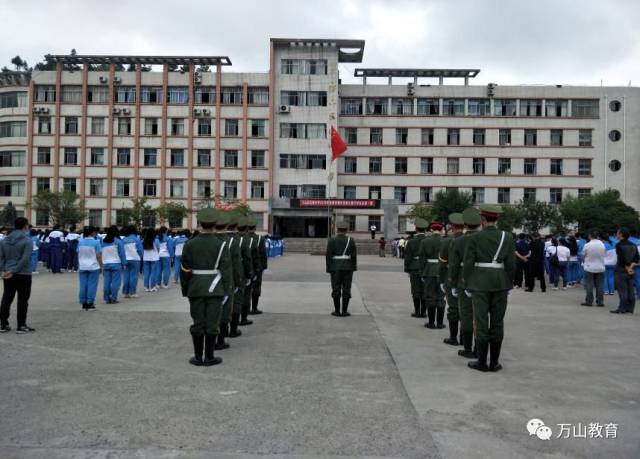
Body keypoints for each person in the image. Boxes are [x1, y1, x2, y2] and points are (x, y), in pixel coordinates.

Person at [463, 204, 515, 372]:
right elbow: (511, 265)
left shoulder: (474, 238)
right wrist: (509, 284)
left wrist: (467, 283)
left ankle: (481, 362)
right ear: (497, 219)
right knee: (498, 322)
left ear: (483, 220)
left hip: (479, 283)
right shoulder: (507, 237)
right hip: (500, 283)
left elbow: (468, 264)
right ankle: (494, 362)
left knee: (481, 321)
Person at [180, 208, 232, 367]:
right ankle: (209, 356)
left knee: (198, 322)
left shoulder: (189, 244)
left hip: (195, 287)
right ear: (215, 224)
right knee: (212, 322)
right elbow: (226, 270)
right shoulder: (221, 245)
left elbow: (184, 269)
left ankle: (198, 356)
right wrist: (227, 291)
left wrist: (186, 289)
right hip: (215, 288)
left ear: (200, 223)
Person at [449, 208, 481, 358]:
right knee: (480, 316)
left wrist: (453, 283)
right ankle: (479, 349)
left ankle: (468, 348)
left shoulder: (458, 241)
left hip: (464, 281)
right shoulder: (483, 238)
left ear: (465, 224)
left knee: (467, 315)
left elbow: (454, 265)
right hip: (482, 281)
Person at [0, 217, 35, 333]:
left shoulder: (4, 240)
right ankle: (21, 325)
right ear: (25, 226)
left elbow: (1, 258)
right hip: (23, 273)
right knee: (23, 300)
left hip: (8, 272)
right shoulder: (27, 240)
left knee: (6, 298)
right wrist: (14, 270)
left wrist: (3, 271)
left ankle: (3, 324)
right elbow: (25, 259)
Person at [439, 213, 464, 346]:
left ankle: (453, 337)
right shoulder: (471, 239)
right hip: (468, 279)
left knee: (453, 308)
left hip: (452, 278)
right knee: (466, 310)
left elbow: (442, 262)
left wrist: (442, 280)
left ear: (452, 226)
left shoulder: (448, 241)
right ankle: (465, 339)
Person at [326, 221, 357, 317]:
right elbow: (354, 255)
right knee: (346, 288)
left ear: (337, 229)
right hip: (348, 267)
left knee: (336, 287)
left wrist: (329, 268)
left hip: (335, 267)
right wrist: (353, 266)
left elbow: (328, 255)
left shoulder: (331, 240)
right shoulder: (351, 240)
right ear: (346, 230)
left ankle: (337, 311)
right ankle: (344, 311)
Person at [421, 222, 445, 329]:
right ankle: (439, 323)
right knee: (441, 297)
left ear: (431, 229)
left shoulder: (425, 241)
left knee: (430, 297)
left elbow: (422, 260)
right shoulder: (446, 241)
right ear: (441, 230)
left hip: (429, 270)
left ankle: (431, 322)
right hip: (442, 271)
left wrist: (422, 272)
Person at [611, 228, 639, 314]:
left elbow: (622, 259)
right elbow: (637, 258)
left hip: (621, 269)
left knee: (622, 289)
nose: (616, 234)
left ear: (621, 234)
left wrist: (627, 268)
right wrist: (631, 267)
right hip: (631, 269)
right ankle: (630, 308)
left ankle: (622, 308)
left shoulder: (619, 245)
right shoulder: (634, 245)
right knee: (630, 289)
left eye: (617, 233)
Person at [404, 218, 428, 318]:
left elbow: (408, 257)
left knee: (415, 290)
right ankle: (423, 312)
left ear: (416, 229)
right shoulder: (428, 240)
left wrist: (407, 269)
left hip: (414, 267)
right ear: (425, 229)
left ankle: (417, 311)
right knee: (425, 290)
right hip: (427, 267)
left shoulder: (411, 241)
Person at [77, 226, 103, 311]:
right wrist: (102, 266)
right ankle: (90, 303)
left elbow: (78, 252)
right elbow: (98, 255)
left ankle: (83, 303)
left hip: (82, 266)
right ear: (93, 233)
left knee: (83, 285)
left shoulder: (80, 242)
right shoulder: (96, 242)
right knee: (92, 285)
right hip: (93, 266)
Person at [247, 217, 267, 316]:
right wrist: (263, 267)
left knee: (246, 289)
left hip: (245, 267)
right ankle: (254, 308)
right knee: (256, 287)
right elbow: (263, 254)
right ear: (255, 227)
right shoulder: (260, 239)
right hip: (257, 267)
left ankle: (245, 309)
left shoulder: (242, 239)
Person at [101, 226, 126, 304]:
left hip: (105, 264)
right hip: (116, 264)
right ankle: (114, 298)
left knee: (106, 282)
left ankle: (107, 298)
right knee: (116, 282)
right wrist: (124, 264)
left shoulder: (102, 242)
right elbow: (122, 254)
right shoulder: (118, 241)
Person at [581, 231, 605, 307]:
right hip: (600, 267)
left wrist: (583, 260)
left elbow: (583, 255)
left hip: (589, 267)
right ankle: (600, 301)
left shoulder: (587, 245)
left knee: (589, 285)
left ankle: (589, 301)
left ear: (590, 236)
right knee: (600, 285)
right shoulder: (602, 244)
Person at [122, 225, 143, 298]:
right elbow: (140, 250)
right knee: (133, 276)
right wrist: (141, 256)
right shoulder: (136, 239)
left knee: (126, 276)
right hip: (135, 259)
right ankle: (132, 292)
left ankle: (126, 292)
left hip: (126, 259)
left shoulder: (124, 239)